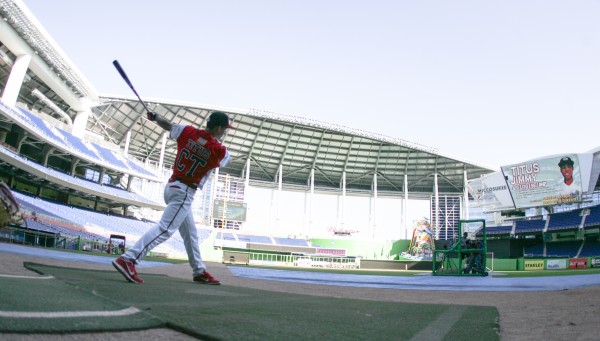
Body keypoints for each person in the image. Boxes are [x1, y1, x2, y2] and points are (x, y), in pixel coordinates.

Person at [112, 110, 233, 284]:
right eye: (224, 128)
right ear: (219, 127)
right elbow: (223, 159)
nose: (225, 132)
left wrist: (156, 117)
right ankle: (129, 259)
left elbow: (169, 125)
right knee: (165, 229)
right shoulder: (219, 150)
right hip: (184, 192)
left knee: (190, 234)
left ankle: (199, 271)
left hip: (172, 187)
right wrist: (206, 144)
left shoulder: (188, 131)